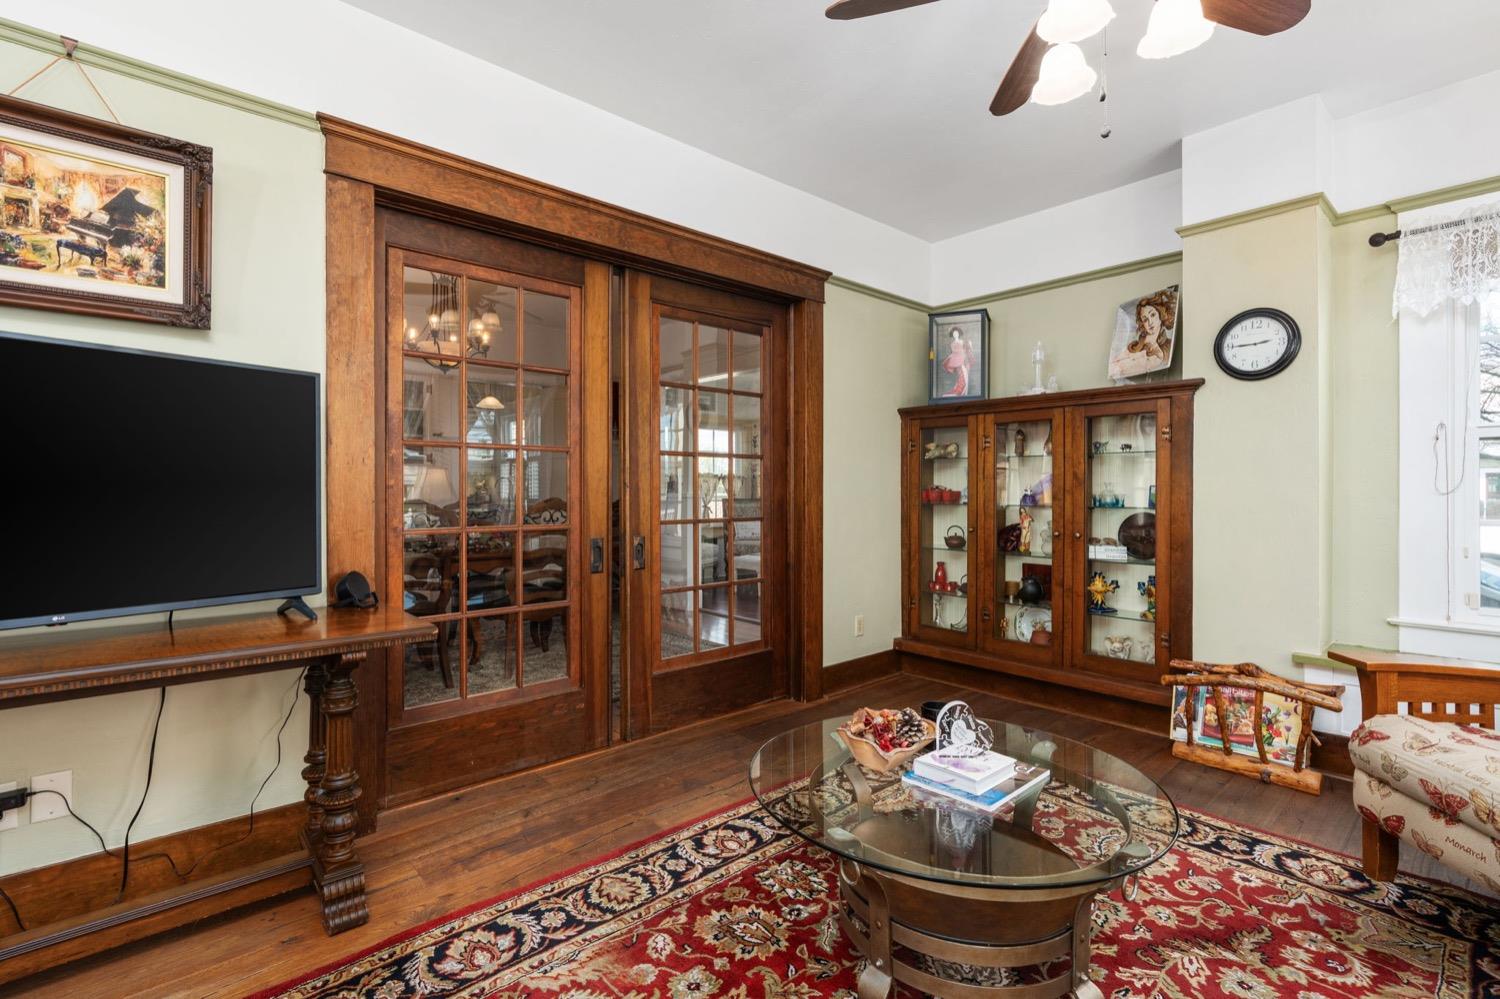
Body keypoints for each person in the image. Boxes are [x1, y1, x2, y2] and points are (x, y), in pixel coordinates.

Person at [940, 327, 973, 397]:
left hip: (963, 361)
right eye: (954, 334)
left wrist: (969, 345)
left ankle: (963, 393)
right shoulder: (952, 344)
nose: (955, 334)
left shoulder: (962, 341)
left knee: (965, 376)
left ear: (958, 334)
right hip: (957, 362)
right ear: (952, 335)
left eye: (956, 333)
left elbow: (967, 350)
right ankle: (959, 392)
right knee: (961, 376)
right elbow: (953, 353)